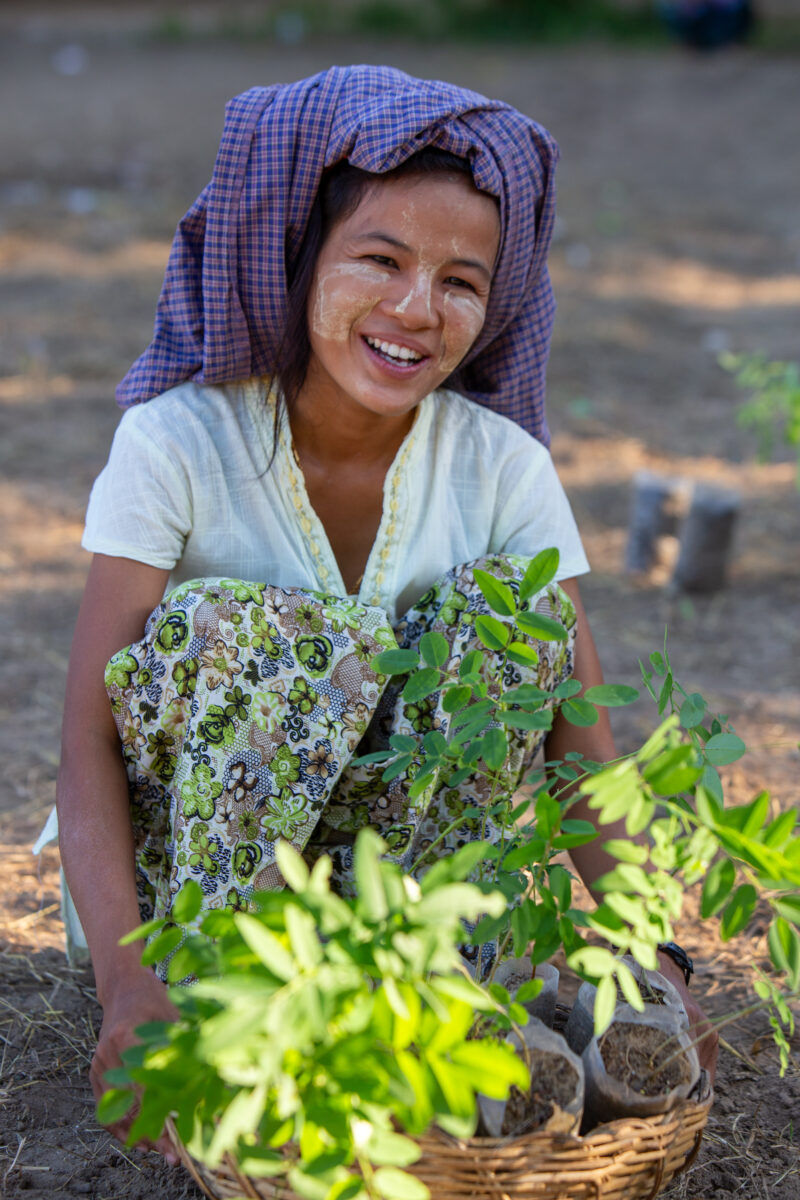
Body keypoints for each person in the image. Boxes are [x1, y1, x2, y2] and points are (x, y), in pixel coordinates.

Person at [55, 65, 717, 1159]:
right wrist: (126, 978)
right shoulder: (178, 445)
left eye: (462, 279)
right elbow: (84, 737)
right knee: (258, 638)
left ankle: (429, 1001)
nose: (417, 310)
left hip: (416, 897)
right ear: (298, 258)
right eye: (379, 259)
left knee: (508, 628)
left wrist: (646, 953)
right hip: (199, 895)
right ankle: (219, 1004)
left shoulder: (501, 470)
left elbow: (577, 747)